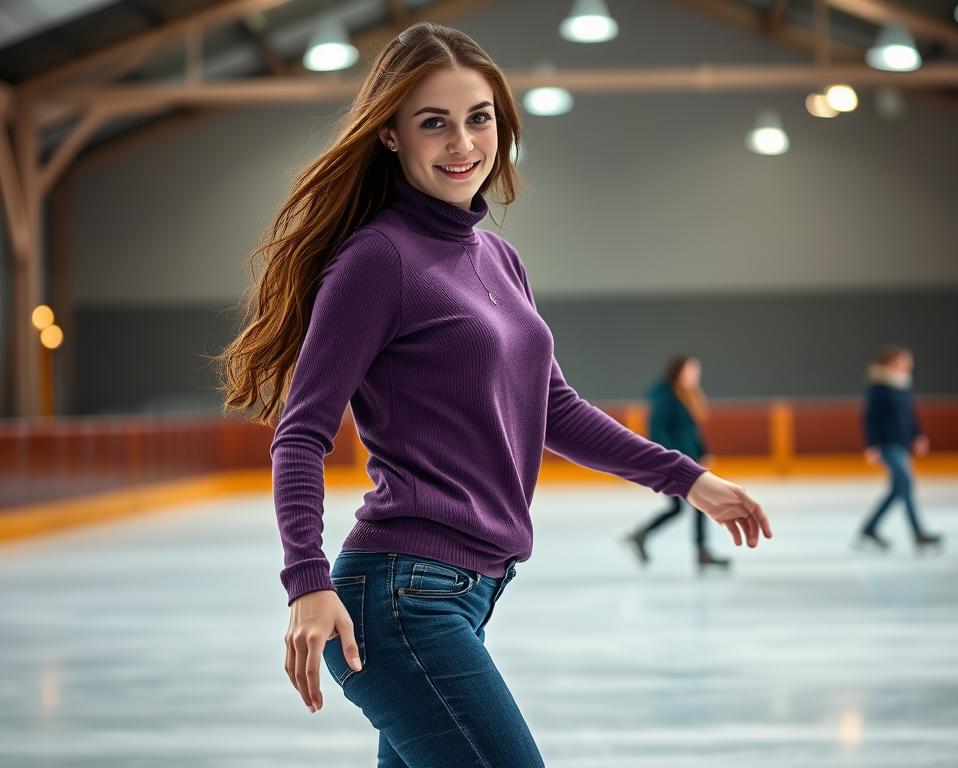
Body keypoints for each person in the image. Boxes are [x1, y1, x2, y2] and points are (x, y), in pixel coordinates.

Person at [216, 22, 772, 768]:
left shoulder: (497, 258)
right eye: (433, 123)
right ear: (389, 135)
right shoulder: (378, 260)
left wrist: (688, 479)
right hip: (401, 599)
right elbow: (302, 433)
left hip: (468, 592)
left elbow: (554, 408)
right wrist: (305, 582)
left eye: (478, 119)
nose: (461, 143)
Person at [624, 356, 730, 569]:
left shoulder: (686, 397)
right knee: (697, 504)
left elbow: (690, 431)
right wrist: (671, 459)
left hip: (688, 461)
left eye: (696, 371)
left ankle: (642, 535)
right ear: (677, 372)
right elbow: (657, 430)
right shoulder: (666, 397)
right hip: (674, 464)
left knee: (681, 507)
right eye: (690, 371)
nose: (694, 375)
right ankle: (701, 551)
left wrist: (702, 452)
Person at [855, 344, 943, 552]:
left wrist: (917, 435)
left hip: (902, 443)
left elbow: (909, 415)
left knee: (897, 490)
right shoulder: (878, 387)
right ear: (889, 363)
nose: (906, 366)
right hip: (887, 444)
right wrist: (872, 445)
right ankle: (918, 533)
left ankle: (869, 528)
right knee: (906, 484)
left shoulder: (902, 385)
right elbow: (870, 418)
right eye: (902, 362)